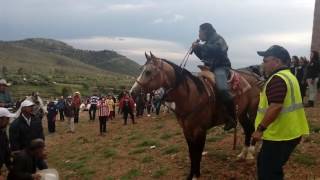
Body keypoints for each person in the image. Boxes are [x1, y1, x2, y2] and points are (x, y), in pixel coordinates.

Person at [253, 45, 309, 180]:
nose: (263, 64)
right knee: (272, 167)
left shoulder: (277, 79)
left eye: (266, 60)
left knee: (268, 173)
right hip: (291, 132)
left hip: (279, 136)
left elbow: (276, 107)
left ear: (277, 61)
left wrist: (260, 129)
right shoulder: (288, 76)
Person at [191, 22, 236, 130]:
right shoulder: (207, 42)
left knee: (222, 88)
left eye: (200, 32)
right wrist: (197, 49)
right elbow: (203, 56)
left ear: (205, 31)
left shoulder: (219, 39)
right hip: (209, 68)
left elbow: (218, 50)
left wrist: (200, 46)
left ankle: (232, 117)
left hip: (221, 67)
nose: (199, 35)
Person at [0, 108, 15, 179]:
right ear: (1, 119)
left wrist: (10, 153)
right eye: (7, 118)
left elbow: (5, 148)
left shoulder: (3, 132)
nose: (9, 121)